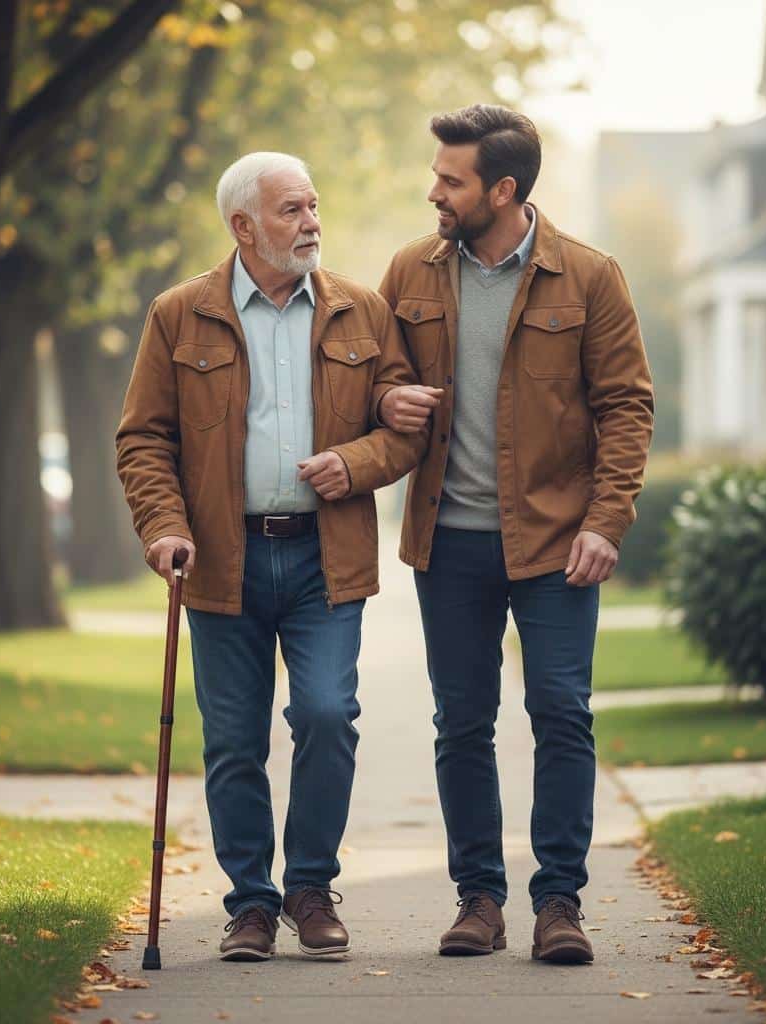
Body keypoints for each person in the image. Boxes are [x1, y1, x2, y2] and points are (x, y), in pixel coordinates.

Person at [116, 151, 426, 962]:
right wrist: (163, 527)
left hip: (328, 557)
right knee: (232, 740)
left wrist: (353, 465)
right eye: (292, 209)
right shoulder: (178, 315)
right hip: (221, 560)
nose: (312, 222)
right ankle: (249, 904)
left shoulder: (363, 311)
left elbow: (405, 428)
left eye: (314, 205)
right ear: (243, 226)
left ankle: (310, 887)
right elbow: (144, 438)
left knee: (327, 715)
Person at [377, 105, 655, 963]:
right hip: (449, 542)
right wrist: (388, 399)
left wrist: (607, 523)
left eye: (451, 180)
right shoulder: (410, 273)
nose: (435, 192)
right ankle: (479, 901)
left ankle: (559, 904)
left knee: (561, 713)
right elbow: (376, 376)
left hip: (556, 544)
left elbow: (627, 406)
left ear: (503, 189)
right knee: (462, 722)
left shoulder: (589, 276)